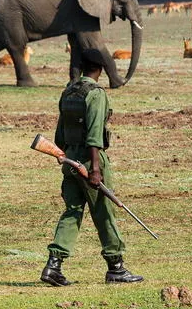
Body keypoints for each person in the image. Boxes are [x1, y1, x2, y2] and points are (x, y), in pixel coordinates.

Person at [41, 55, 143, 286]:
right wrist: (96, 169)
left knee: (73, 211)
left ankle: (53, 266)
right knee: (104, 212)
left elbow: (60, 133)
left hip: (70, 160)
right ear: (101, 69)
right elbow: (95, 134)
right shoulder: (95, 94)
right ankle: (116, 268)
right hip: (89, 161)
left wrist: (65, 156)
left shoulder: (68, 91)